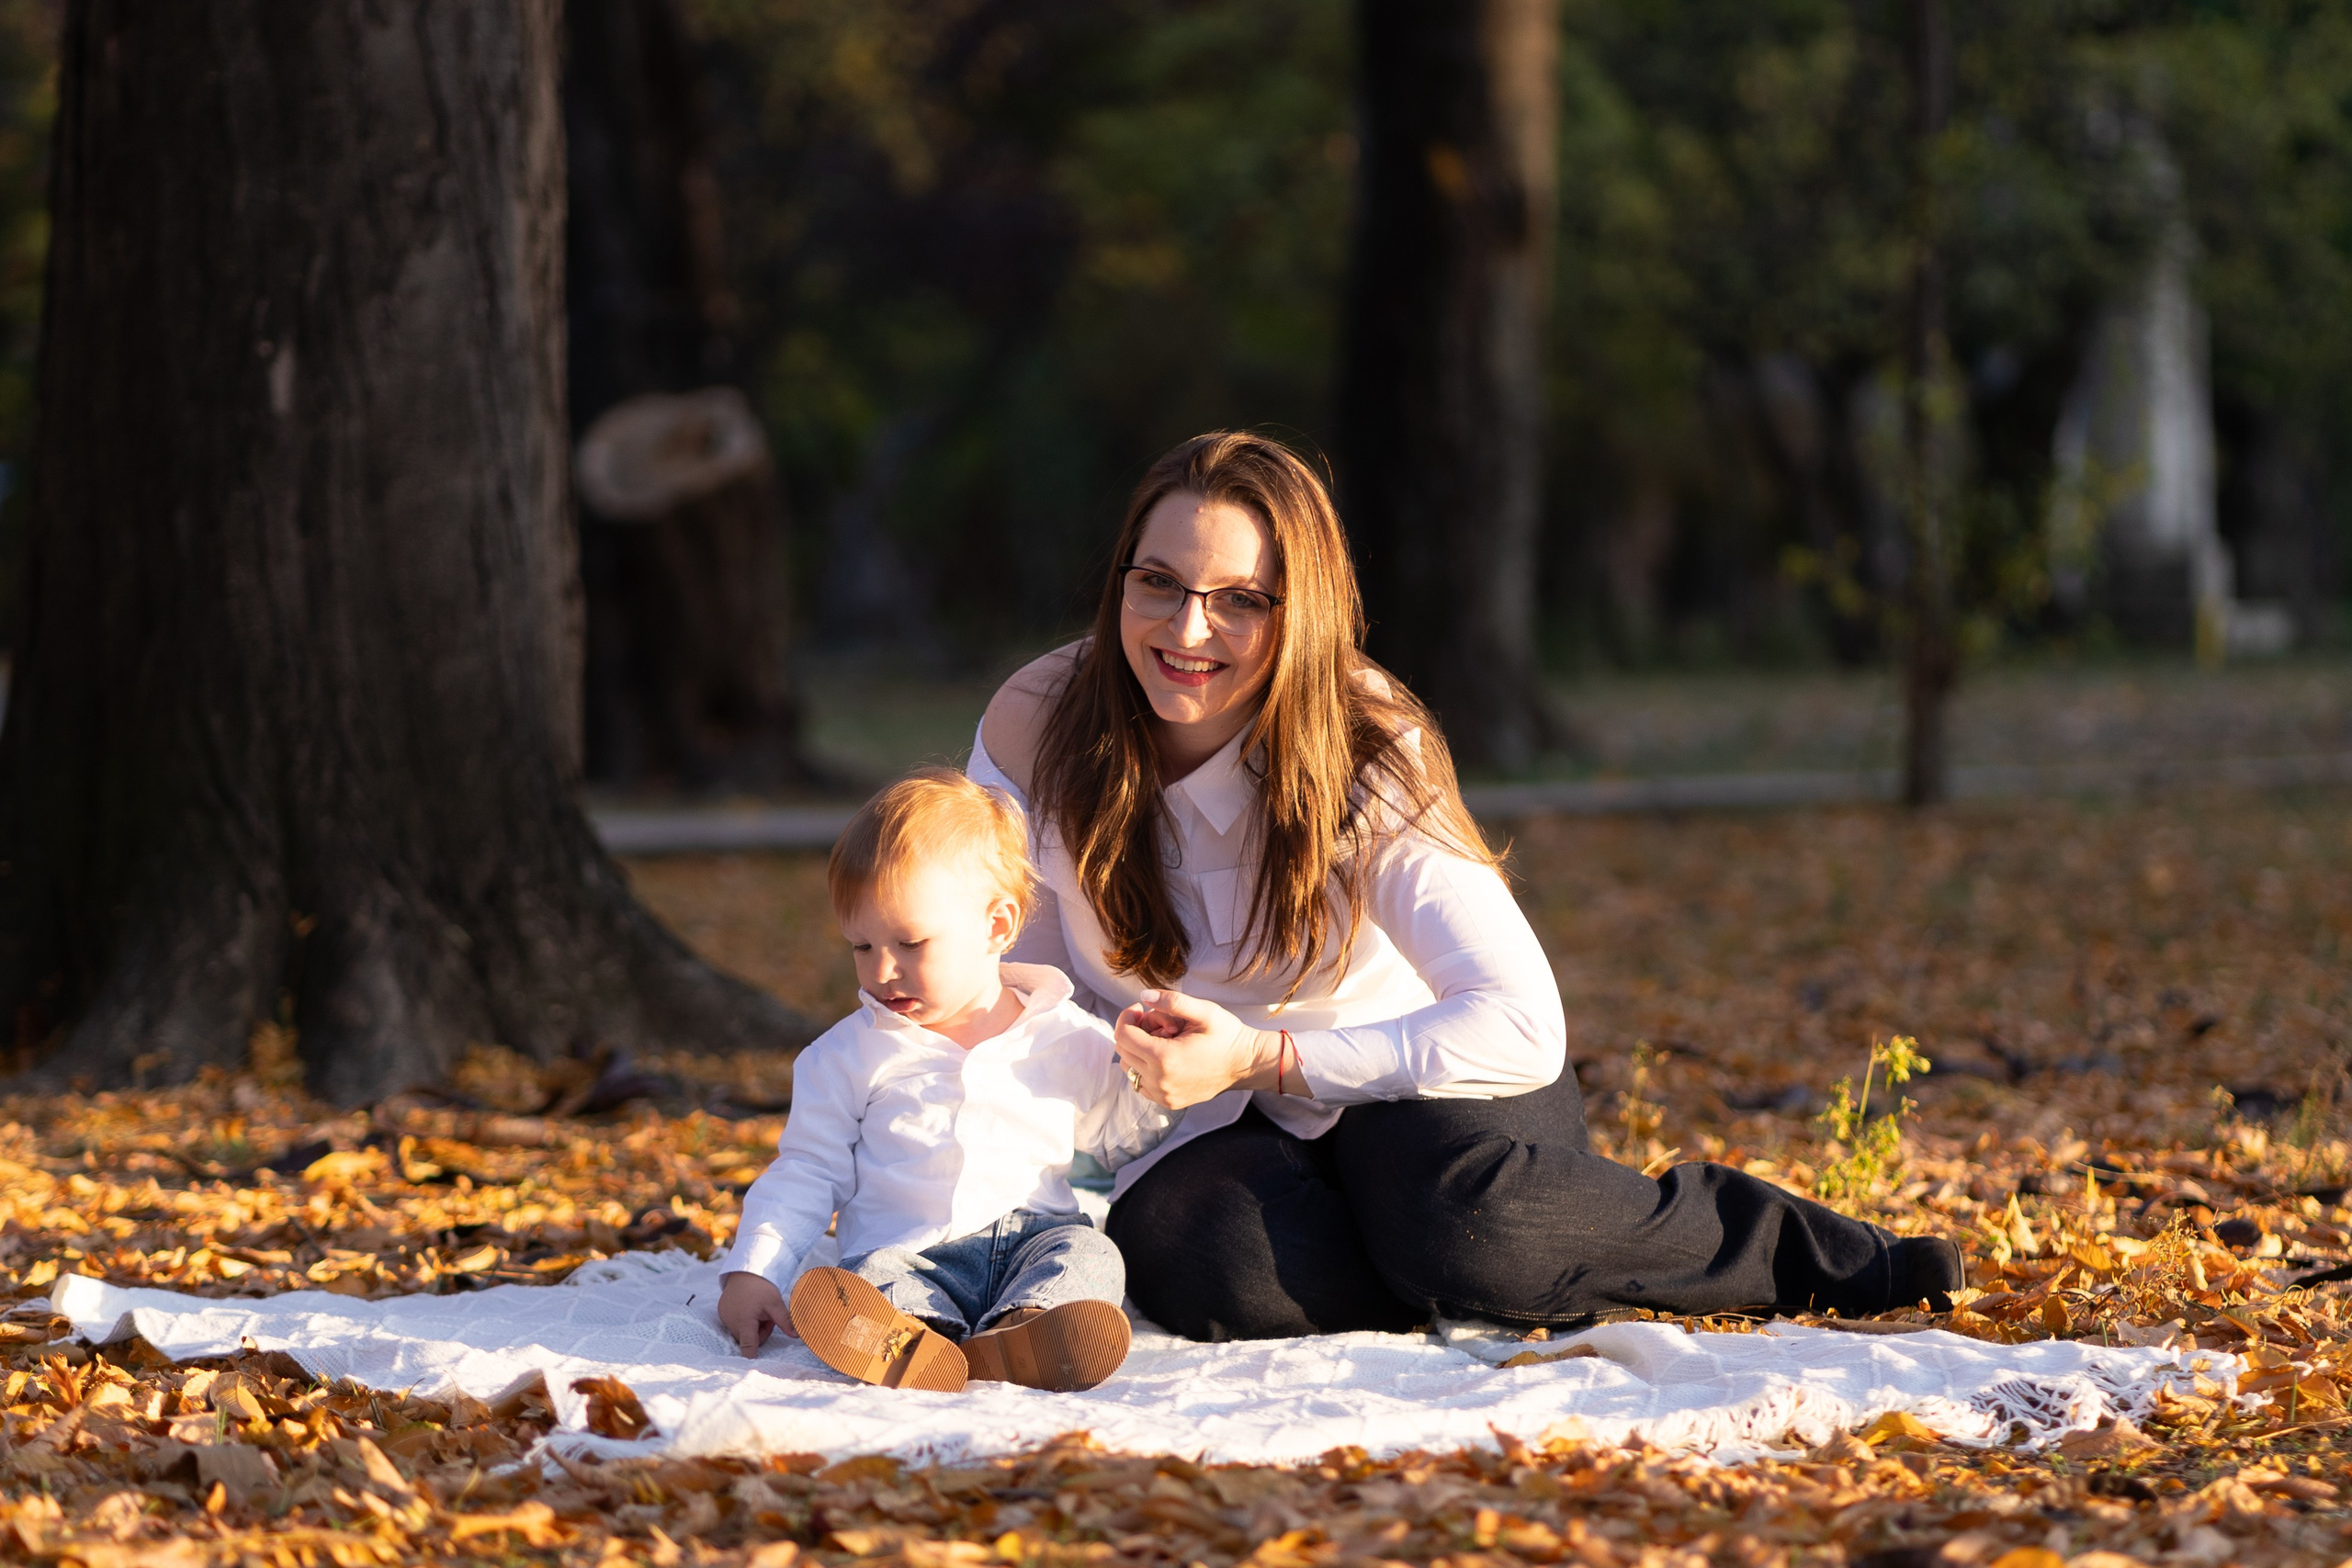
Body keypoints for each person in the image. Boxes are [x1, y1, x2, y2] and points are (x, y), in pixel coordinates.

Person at [969, 430, 1964, 1343]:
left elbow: (1520, 1024)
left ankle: (1788, 1249)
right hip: (1191, 1116)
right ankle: (1441, 1264)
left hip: (1415, 1082)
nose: (1187, 627)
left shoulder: (1363, 744)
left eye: (1240, 598)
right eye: (1158, 582)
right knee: (1214, 1271)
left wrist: (1264, 1057)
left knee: (1471, 1229)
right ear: (1119, 583)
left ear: (1299, 610)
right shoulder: (1038, 725)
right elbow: (1005, 992)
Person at [714, 768, 1169, 1391]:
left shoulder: (1064, 1033)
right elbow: (806, 1170)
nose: (882, 969)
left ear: (997, 927)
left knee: (1092, 1254)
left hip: (1030, 1240)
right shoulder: (847, 1056)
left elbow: (1120, 1135)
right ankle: (915, 1337)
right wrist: (755, 1270)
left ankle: (1028, 1325)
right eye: (861, 946)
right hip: (909, 1252)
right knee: (865, 1280)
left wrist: (1147, 1074)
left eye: (909, 942)